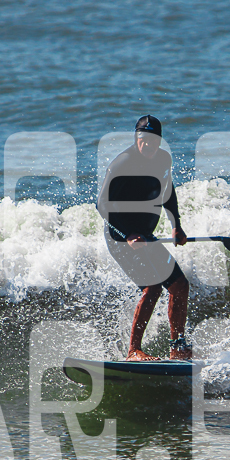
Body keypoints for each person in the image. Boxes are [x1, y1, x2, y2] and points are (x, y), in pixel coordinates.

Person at [96, 115, 192, 361]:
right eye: (142, 139)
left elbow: (168, 192)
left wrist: (176, 226)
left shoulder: (164, 159)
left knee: (180, 286)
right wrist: (127, 234)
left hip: (146, 237)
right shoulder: (123, 163)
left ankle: (177, 347)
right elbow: (102, 204)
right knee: (153, 286)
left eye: (152, 140)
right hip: (121, 237)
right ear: (136, 138)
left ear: (159, 141)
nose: (147, 144)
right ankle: (133, 351)